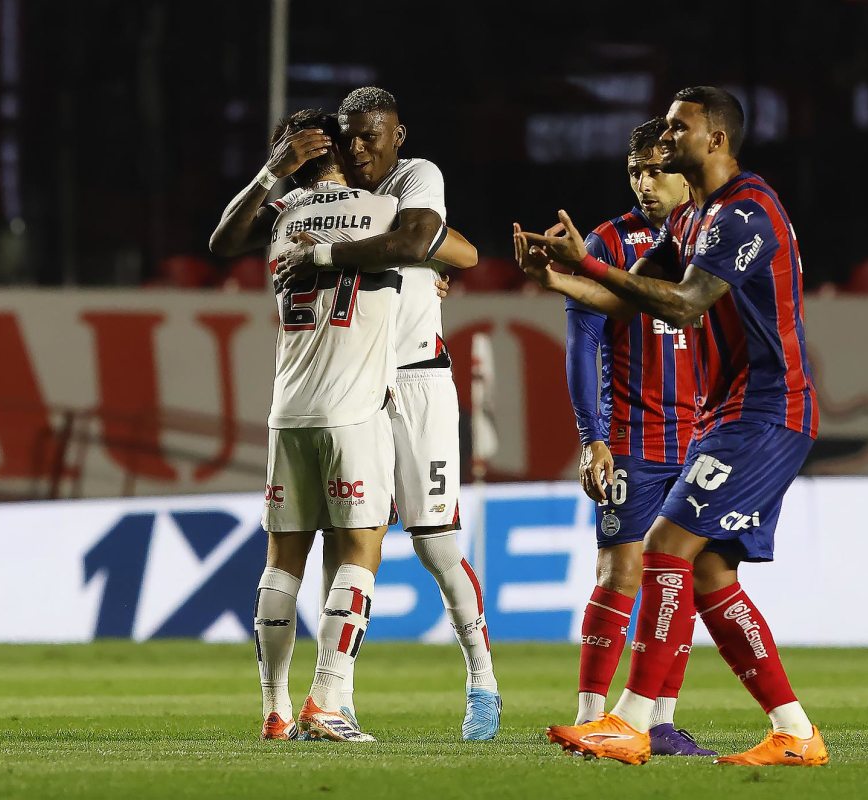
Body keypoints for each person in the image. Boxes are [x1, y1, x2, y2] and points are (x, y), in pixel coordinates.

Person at [517, 86, 828, 767]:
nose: (664, 136)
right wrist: (561, 277)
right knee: (711, 572)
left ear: (715, 139)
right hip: (734, 410)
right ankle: (794, 731)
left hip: (768, 408)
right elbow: (624, 297)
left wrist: (590, 265)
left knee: (662, 544)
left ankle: (630, 722)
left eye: (678, 127)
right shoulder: (691, 221)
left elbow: (685, 306)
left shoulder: (742, 214)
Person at [274, 87, 501, 741]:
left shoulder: (415, 176)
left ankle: (481, 681)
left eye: (373, 136)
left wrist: (413, 249)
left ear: (397, 136)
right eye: (349, 137)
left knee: (434, 543)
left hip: (418, 381)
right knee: (344, 539)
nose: (360, 148)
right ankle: (332, 695)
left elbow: (437, 240)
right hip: (353, 385)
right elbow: (435, 245)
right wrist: (412, 248)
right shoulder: (326, 199)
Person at [517, 118, 713, 757]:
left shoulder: (718, 234)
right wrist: (591, 435)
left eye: (658, 169)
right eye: (636, 171)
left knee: (679, 574)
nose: (645, 182)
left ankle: (659, 717)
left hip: (703, 435)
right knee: (623, 568)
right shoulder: (607, 241)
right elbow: (584, 341)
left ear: (687, 168)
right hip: (631, 433)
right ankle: (593, 712)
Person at [238, 108, 408, 743]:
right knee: (360, 552)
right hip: (353, 411)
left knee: (283, 561)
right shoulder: (382, 212)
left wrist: (272, 173)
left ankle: (275, 708)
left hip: (288, 412)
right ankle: (328, 698)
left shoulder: (281, 221)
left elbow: (222, 241)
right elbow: (447, 247)